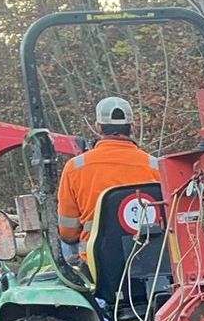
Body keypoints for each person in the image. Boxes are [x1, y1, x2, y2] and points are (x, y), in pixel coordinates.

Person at [56, 96, 161, 275]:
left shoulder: (75, 167)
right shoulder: (155, 166)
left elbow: (68, 233)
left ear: (98, 128)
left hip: (98, 268)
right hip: (153, 264)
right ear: (132, 127)